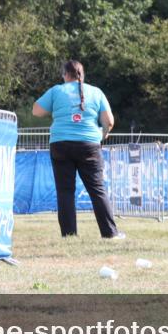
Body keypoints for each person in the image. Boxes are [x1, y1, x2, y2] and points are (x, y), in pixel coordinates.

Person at [33, 59, 126, 240]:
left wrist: (55, 111)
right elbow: (110, 121)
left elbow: (36, 111)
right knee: (97, 189)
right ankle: (110, 233)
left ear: (65, 75)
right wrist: (102, 135)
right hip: (89, 144)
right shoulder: (96, 92)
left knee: (65, 191)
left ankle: (69, 235)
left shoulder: (56, 90)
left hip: (60, 144)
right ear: (82, 75)